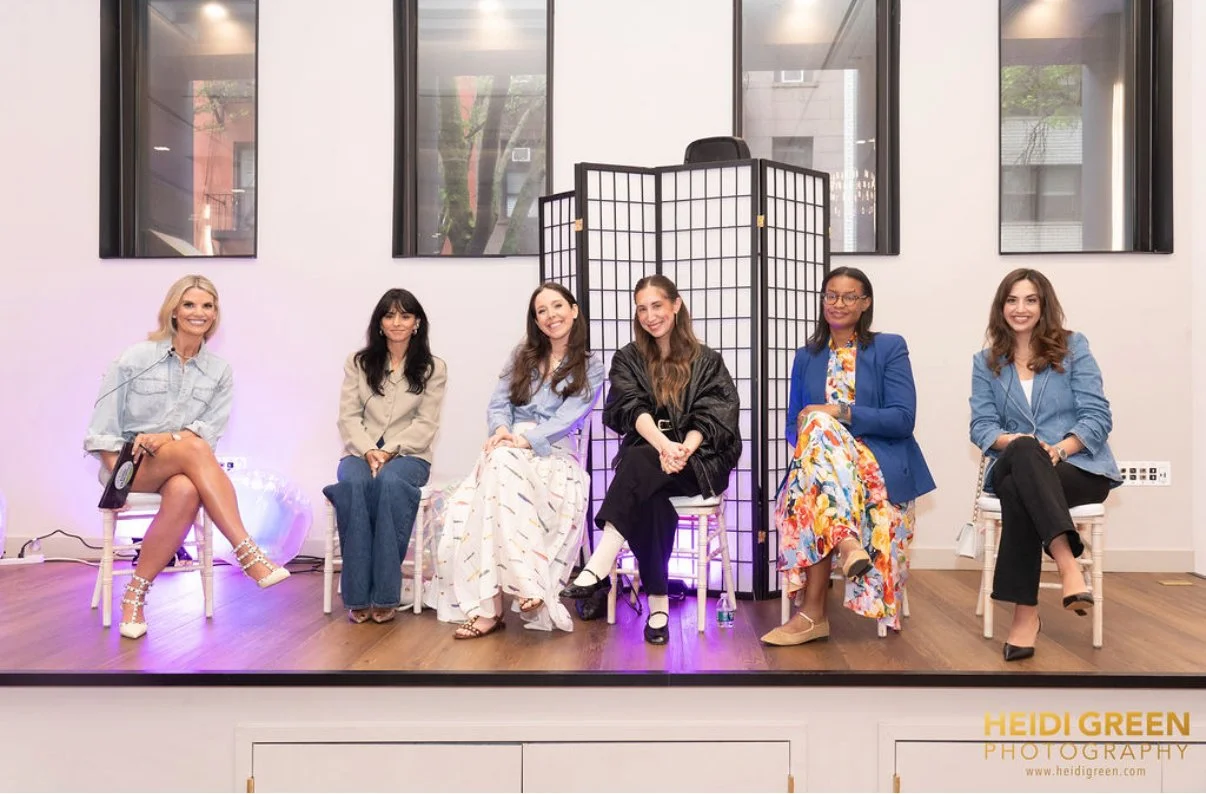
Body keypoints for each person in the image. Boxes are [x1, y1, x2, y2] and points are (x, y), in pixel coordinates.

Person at [84, 275, 290, 640]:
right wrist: (116, 476)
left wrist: (167, 439)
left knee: (185, 490)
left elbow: (207, 432)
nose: (199, 313)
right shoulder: (135, 358)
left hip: (178, 467)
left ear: (215, 315)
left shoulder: (219, 371)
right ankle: (248, 553)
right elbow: (102, 427)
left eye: (207, 306)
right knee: (193, 449)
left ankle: (134, 597)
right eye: (190, 304)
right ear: (174, 311)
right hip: (126, 464)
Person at [560, 275, 740, 645]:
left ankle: (600, 561)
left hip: (697, 461)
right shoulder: (629, 358)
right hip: (652, 456)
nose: (650, 315)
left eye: (657, 305)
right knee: (649, 490)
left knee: (640, 467)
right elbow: (628, 407)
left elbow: (715, 415)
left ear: (676, 305)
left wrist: (682, 449)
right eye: (642, 308)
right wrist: (663, 446)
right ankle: (658, 608)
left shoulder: (707, 361)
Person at [761, 266, 935, 647]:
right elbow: (795, 423)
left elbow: (903, 419)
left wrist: (840, 413)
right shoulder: (807, 356)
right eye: (831, 296)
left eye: (848, 296)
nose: (838, 303)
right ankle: (846, 543)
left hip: (875, 461)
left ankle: (813, 615)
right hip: (825, 465)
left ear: (865, 302)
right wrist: (820, 433)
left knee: (820, 439)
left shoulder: (889, 347)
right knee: (816, 432)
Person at [435, 283, 604, 637]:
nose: (550, 316)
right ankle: (526, 585)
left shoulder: (591, 367)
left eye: (557, 306)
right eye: (541, 311)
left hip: (552, 455)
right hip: (507, 449)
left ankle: (488, 610)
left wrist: (522, 440)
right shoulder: (522, 356)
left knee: (498, 467)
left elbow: (568, 419)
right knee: (480, 488)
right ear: (536, 320)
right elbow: (499, 403)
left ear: (573, 310)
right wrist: (500, 431)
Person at [969, 268, 1121, 661]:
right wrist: (1021, 444)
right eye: (1012, 300)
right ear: (1001, 307)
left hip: (1078, 467)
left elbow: (1097, 416)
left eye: (1030, 300)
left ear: (1044, 305)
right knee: (1022, 451)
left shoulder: (1074, 348)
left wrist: (1059, 449)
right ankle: (1069, 563)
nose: (1021, 309)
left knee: (1020, 491)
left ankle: (1026, 616)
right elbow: (982, 426)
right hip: (1015, 461)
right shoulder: (986, 362)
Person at [323, 289, 446, 624]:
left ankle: (386, 595)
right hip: (359, 452)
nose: (397, 322)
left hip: (410, 456)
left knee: (390, 484)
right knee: (352, 485)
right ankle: (358, 596)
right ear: (379, 323)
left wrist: (389, 451)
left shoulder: (433, 368)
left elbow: (426, 423)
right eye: (389, 315)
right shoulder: (359, 363)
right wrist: (368, 450)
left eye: (405, 316)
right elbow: (348, 417)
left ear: (417, 323)